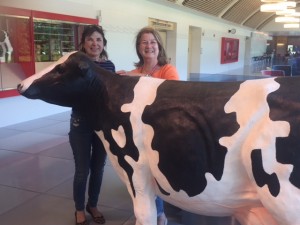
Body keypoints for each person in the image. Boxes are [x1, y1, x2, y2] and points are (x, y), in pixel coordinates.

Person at [117, 26, 179, 225]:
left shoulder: (167, 70)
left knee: (157, 173)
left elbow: (173, 93)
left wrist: (137, 77)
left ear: (159, 46)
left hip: (162, 131)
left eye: (152, 42)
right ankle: (157, 213)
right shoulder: (133, 72)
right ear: (138, 47)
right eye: (144, 42)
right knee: (143, 175)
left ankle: (160, 213)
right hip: (139, 134)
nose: (149, 46)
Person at [69, 25, 115, 225]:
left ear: (103, 43)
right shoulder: (74, 65)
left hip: (101, 124)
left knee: (98, 168)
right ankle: (79, 209)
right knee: (82, 170)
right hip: (80, 123)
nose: (95, 43)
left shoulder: (109, 66)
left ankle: (92, 204)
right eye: (90, 39)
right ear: (83, 43)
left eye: (98, 39)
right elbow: (70, 93)